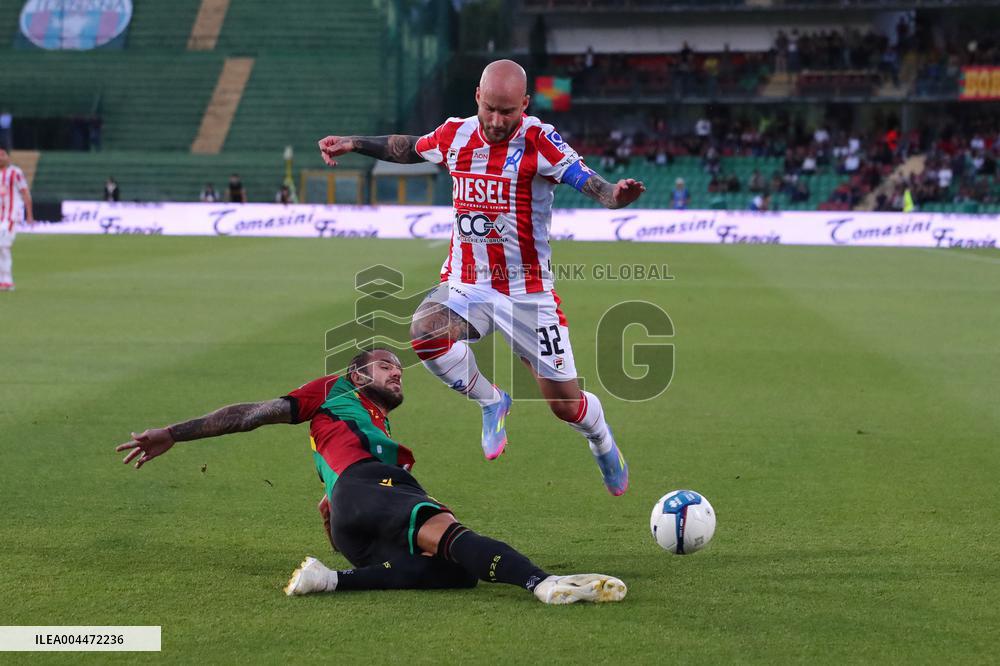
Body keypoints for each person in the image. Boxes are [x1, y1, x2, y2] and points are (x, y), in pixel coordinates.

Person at [317, 59, 645, 496]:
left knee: (565, 405)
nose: (496, 120)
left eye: (507, 111)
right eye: (489, 108)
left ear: (525, 104)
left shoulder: (540, 140)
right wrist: (354, 143)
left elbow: (586, 180)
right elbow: (409, 147)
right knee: (425, 333)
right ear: (477, 97)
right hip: (466, 283)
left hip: (527, 293)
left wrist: (614, 196)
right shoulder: (455, 134)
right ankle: (492, 402)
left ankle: (602, 441)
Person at [115, 348, 627, 605]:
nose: (396, 372)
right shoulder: (332, 389)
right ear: (358, 374)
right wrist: (174, 433)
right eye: (385, 366)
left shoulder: (368, 422)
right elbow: (251, 414)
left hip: (349, 518)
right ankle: (544, 583)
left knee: (457, 574)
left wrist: (336, 507)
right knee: (453, 537)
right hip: (366, 488)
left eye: (398, 369)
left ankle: (330, 579)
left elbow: (334, 473)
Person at [0, 147, 34, 291]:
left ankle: (7, 280)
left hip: (11, 216)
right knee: (2, 247)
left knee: (3, 246)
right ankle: (4, 280)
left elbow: (25, 192)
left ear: (8, 157)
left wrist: (29, 214)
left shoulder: (15, 172)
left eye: (2, 154)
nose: (0, 157)